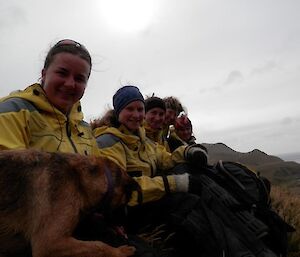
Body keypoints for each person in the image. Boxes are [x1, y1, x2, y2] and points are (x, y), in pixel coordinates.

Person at [92, 85, 209, 256]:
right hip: (126, 211)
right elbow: (121, 188)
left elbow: (165, 158)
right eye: (129, 109)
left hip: (146, 202)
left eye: (140, 109)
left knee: (194, 194)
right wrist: (176, 184)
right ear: (118, 112)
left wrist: (189, 151)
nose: (136, 115)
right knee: (187, 203)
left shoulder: (142, 139)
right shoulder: (108, 142)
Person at [0, 39, 99, 155]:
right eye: (62, 73)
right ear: (44, 74)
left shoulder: (85, 130)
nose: (70, 84)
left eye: (79, 79)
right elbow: (8, 169)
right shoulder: (12, 111)